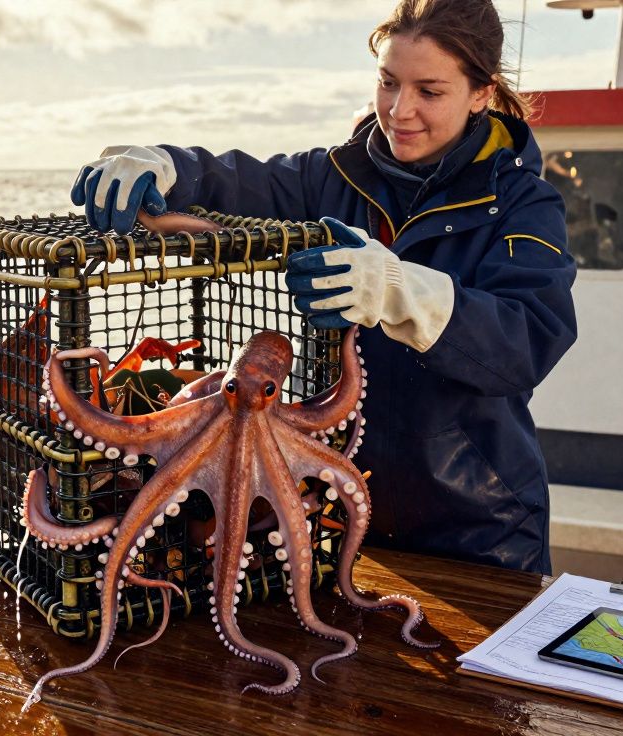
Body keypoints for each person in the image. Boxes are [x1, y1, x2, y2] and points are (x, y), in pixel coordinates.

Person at [68, 0, 577, 574]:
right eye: (388, 83)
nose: (400, 110)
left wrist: (396, 290)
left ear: (481, 93)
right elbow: (241, 182)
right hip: (335, 516)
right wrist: (166, 165)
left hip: (482, 529)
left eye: (429, 91)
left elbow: (527, 340)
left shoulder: (524, 204)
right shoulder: (331, 177)